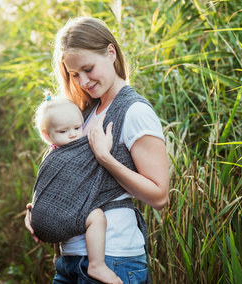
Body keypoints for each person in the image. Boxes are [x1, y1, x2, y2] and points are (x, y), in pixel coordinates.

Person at [25, 16, 170, 284]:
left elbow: (159, 196)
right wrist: (41, 209)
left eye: (88, 68)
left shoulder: (134, 111)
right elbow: (76, 180)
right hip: (69, 260)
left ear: (111, 53)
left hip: (115, 257)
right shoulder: (84, 113)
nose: (83, 81)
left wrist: (106, 158)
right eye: (74, 74)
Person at [33, 94, 123, 284]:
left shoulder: (52, 154)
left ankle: (58, 254)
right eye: (64, 131)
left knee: (61, 209)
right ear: (47, 135)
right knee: (97, 216)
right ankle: (96, 264)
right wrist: (104, 150)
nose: (73, 134)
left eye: (77, 127)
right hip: (57, 219)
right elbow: (48, 195)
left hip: (57, 225)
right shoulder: (56, 157)